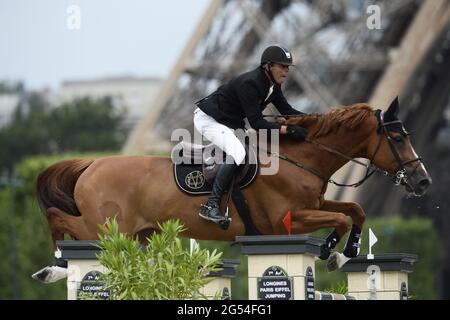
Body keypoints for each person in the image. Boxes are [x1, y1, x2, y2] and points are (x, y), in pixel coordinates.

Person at [193, 45, 308, 225]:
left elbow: (287, 110)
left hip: (230, 122)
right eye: (282, 66)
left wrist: (315, 120)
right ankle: (211, 206)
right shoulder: (251, 83)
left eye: (287, 67)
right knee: (238, 153)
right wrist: (288, 130)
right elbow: (257, 123)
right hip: (209, 119)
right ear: (267, 66)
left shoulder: (273, 86)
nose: (286, 71)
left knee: (256, 152)